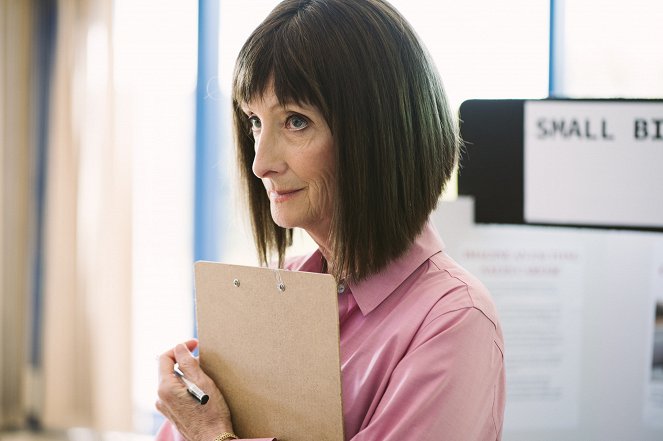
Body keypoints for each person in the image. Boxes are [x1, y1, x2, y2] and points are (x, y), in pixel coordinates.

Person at [155, 0, 505, 440]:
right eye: (255, 123)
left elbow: (205, 430)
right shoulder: (277, 288)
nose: (260, 163)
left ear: (378, 134)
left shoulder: (454, 319)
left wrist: (212, 435)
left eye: (296, 122)